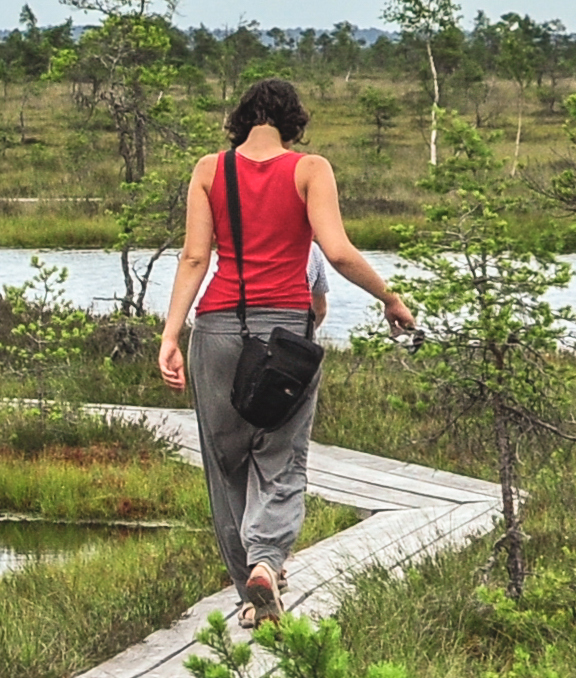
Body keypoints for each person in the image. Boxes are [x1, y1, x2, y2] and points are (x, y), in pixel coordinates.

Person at [157, 77, 414, 623]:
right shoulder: (309, 170)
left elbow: (193, 259)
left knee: (225, 465)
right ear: (293, 121)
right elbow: (338, 252)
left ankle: (248, 597)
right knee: (280, 456)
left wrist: (170, 335)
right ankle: (268, 564)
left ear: (241, 118)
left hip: (216, 331)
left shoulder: (209, 170)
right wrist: (389, 297)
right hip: (286, 337)